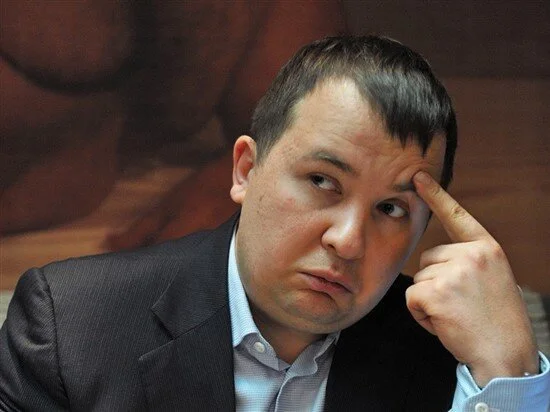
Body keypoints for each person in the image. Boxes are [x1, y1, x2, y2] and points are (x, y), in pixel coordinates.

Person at [1, 35, 548, 411]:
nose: (348, 241)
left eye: (390, 209)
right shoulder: (70, 328)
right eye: (322, 181)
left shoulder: (451, 357)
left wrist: (509, 374)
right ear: (246, 169)